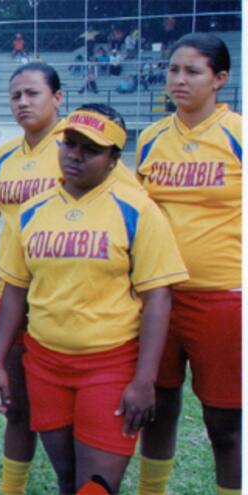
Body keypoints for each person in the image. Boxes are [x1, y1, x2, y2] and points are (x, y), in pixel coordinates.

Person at [0, 104, 188, 494]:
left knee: (95, 486)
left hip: (109, 364)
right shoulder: (32, 210)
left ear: (114, 159)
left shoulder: (138, 210)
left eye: (91, 149)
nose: (75, 156)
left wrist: (145, 380)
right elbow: (15, 293)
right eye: (70, 144)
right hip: (45, 363)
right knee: (67, 479)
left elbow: (158, 299)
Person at [0, 63, 141, 495]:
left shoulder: (87, 147)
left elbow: (133, 214)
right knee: (17, 408)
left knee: (78, 432)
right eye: (15, 95)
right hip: (15, 293)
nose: (23, 102)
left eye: (32, 93)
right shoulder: (3, 157)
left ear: (58, 98)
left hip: (74, 301)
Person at [135, 33, 242, 495]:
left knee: (225, 422)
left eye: (192, 71)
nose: (179, 79)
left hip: (223, 297)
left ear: (220, 79)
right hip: (159, 296)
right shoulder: (151, 139)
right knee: (156, 409)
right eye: (173, 70)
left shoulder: (238, 134)